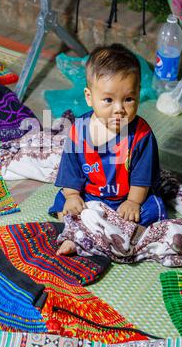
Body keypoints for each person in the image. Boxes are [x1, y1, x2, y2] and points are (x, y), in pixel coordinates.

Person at [49, 44, 168, 255]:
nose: (119, 109)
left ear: (138, 95)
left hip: (125, 200)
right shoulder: (79, 130)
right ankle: (77, 230)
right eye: (108, 100)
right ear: (89, 97)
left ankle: (121, 235)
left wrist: (133, 202)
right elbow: (71, 169)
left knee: (153, 207)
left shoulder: (142, 135)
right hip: (91, 196)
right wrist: (73, 195)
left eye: (129, 99)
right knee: (62, 202)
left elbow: (142, 176)